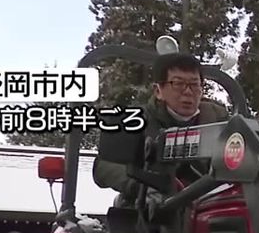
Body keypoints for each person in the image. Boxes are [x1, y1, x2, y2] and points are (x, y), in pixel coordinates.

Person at [92, 52, 230, 205]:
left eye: (194, 84)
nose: (188, 91)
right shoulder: (134, 121)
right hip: (149, 211)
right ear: (158, 91)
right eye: (178, 84)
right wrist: (139, 186)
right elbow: (103, 167)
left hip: (208, 204)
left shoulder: (217, 119)